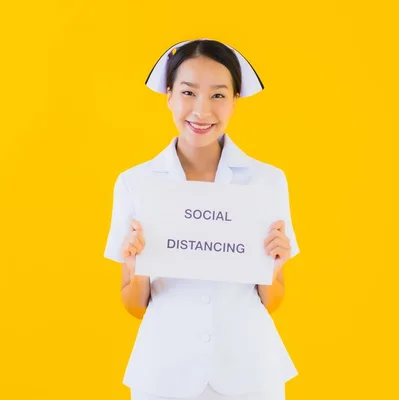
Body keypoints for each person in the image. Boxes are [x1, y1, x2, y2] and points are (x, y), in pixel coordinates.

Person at [103, 38, 301, 400]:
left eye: (218, 95)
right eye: (189, 92)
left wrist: (273, 265)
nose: (201, 110)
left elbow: (272, 300)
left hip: (249, 369)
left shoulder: (267, 181)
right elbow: (134, 305)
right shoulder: (136, 183)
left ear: (235, 100)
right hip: (165, 368)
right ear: (169, 95)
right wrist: (139, 263)